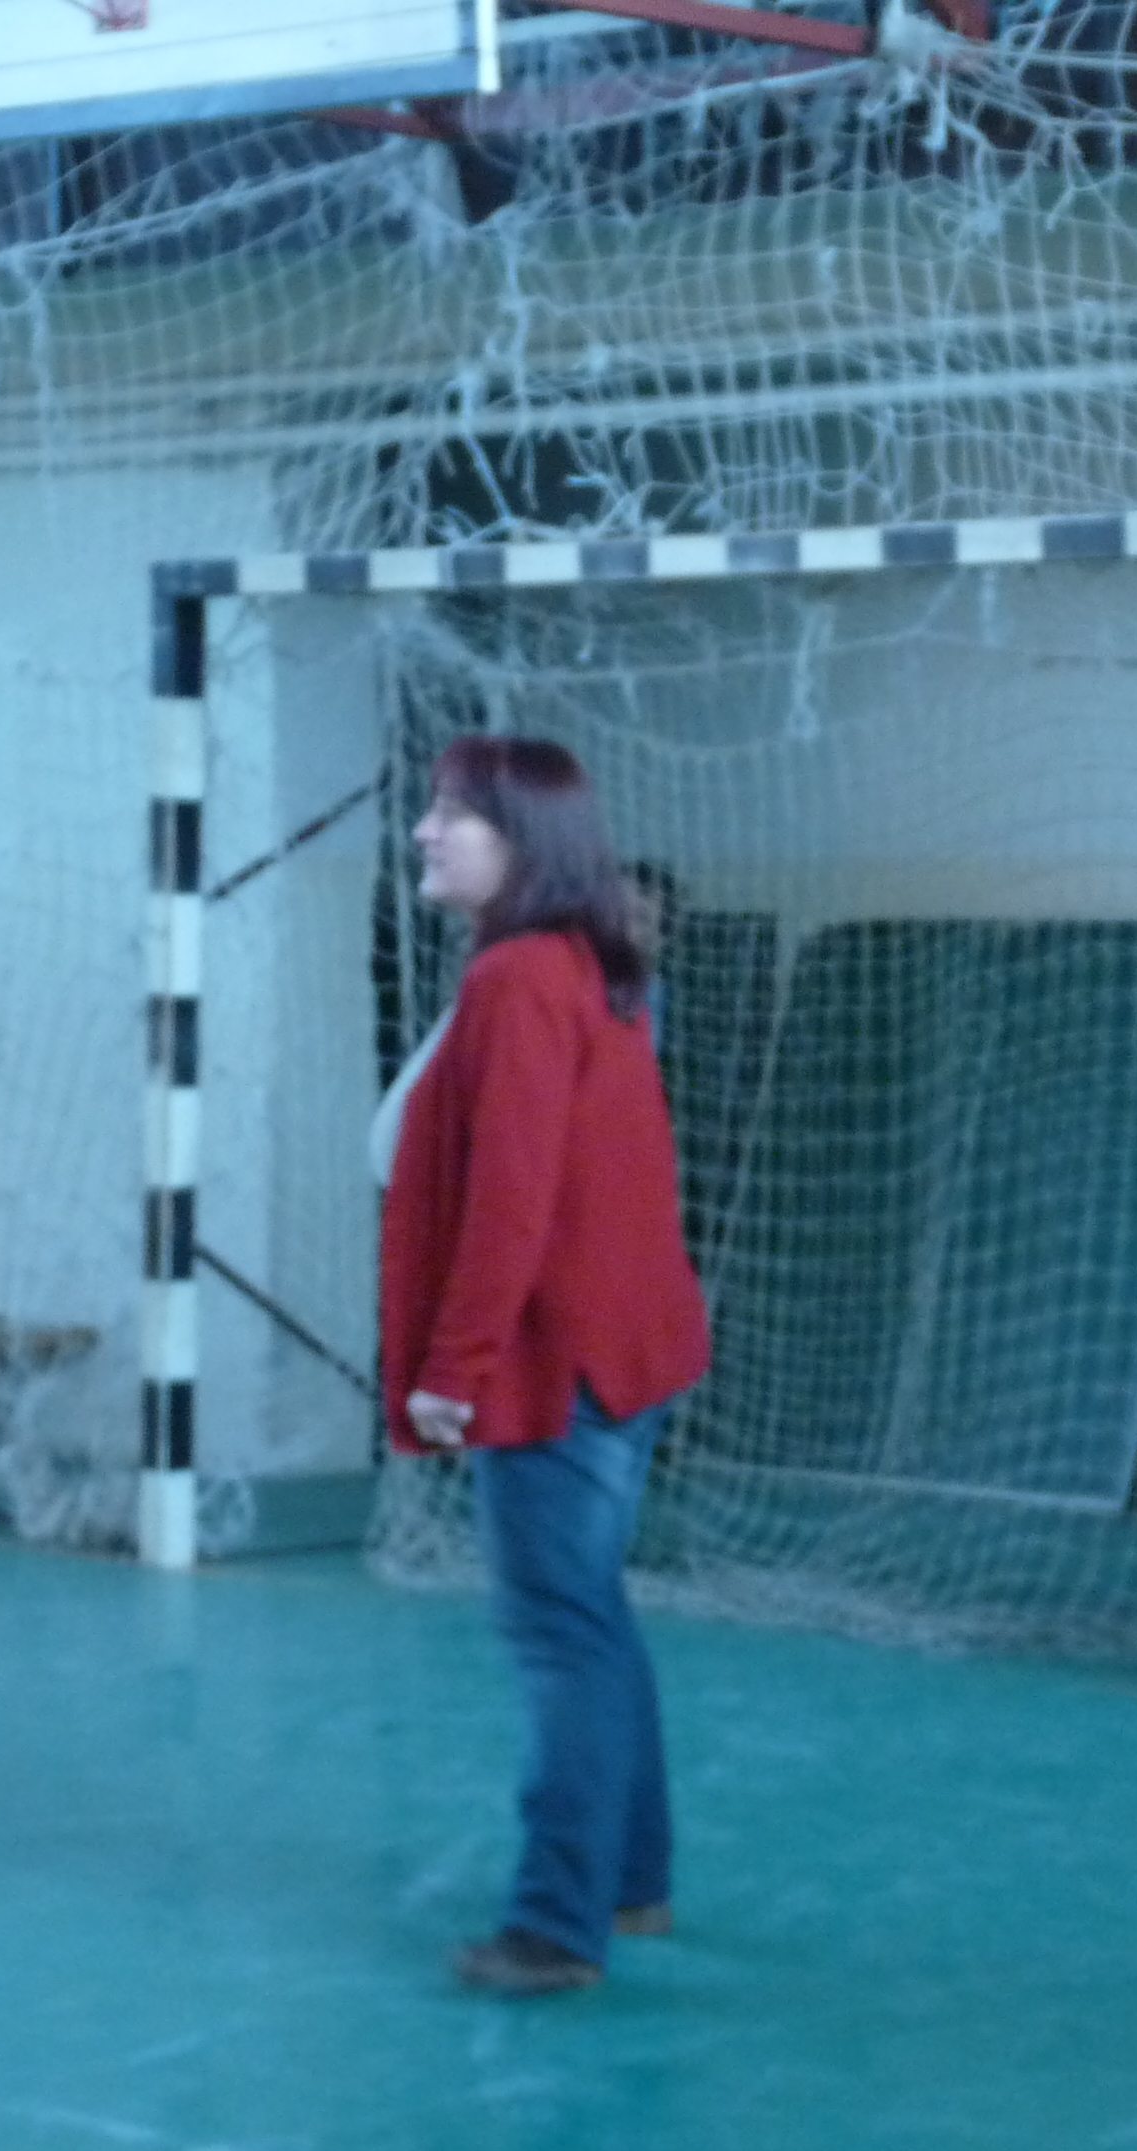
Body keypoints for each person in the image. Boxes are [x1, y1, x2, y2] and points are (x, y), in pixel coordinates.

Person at [376, 735, 712, 1995]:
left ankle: (556, 1928)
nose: (425, 831)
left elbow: (509, 1203)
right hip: (623, 1352)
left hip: (557, 1367)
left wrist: (452, 1370)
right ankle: (630, 1885)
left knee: (559, 1636)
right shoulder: (585, 963)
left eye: (452, 815)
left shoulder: (520, 978)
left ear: (525, 842)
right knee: (592, 1620)